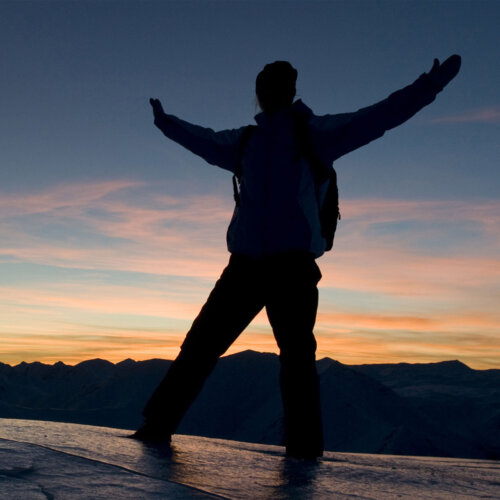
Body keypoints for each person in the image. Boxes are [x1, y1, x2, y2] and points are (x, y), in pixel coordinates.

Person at [133, 56, 461, 459]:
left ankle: (303, 452)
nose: (270, 93)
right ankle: (158, 426)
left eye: (276, 86)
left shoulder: (316, 135)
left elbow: (380, 116)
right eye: (266, 86)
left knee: (295, 361)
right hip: (247, 266)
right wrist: (166, 123)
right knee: (203, 346)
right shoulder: (247, 142)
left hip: (291, 267)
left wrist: (430, 85)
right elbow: (204, 140)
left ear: (288, 91)